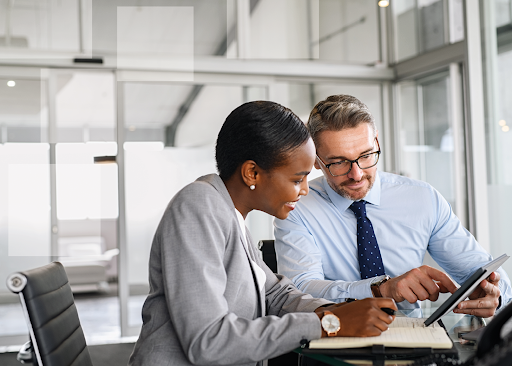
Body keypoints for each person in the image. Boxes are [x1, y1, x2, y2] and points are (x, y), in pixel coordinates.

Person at [128, 101, 397, 366]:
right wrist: (328, 323)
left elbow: (275, 294)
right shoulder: (199, 206)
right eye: (296, 179)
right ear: (252, 173)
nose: (304, 190)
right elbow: (208, 341)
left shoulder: (230, 214)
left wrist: (333, 310)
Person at [274, 94, 512, 317]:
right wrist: (380, 290)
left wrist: (494, 294)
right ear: (316, 160)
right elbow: (300, 292)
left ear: (376, 141)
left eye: (366, 155)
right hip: (337, 344)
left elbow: (482, 270)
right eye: (338, 162)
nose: (356, 174)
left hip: (418, 343)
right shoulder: (297, 206)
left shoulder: (422, 198)